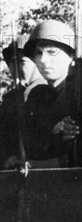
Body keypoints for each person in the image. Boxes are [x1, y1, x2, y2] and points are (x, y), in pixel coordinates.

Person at [3, 20, 82, 168]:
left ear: (71, 55)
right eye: (38, 53)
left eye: (51, 52)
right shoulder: (37, 96)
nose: (43, 60)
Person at [0, 34, 46, 167]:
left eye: (22, 61)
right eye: (11, 63)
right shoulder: (10, 99)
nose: (15, 68)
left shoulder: (49, 91)